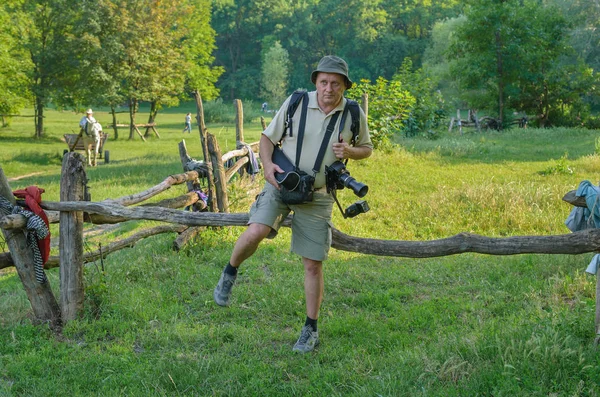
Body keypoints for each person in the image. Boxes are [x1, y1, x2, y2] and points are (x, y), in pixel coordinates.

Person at [213, 55, 373, 353]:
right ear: (316, 81)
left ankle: (310, 329)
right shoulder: (297, 102)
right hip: (281, 182)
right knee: (255, 231)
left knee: (313, 264)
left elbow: (367, 149)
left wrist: (350, 149)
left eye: (335, 83)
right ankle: (229, 272)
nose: (328, 88)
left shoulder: (352, 112)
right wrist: (267, 165)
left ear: (344, 86)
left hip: (320, 194)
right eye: (323, 81)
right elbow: (265, 139)